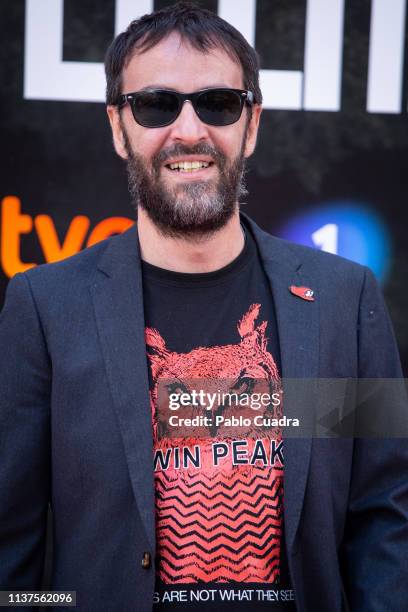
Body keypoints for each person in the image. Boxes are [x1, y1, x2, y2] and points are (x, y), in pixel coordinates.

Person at [1, 3, 407, 611]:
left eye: (217, 103)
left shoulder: (342, 299)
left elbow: (384, 514)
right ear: (118, 127)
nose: (188, 131)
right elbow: (14, 546)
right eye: (156, 105)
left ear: (252, 122)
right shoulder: (45, 306)